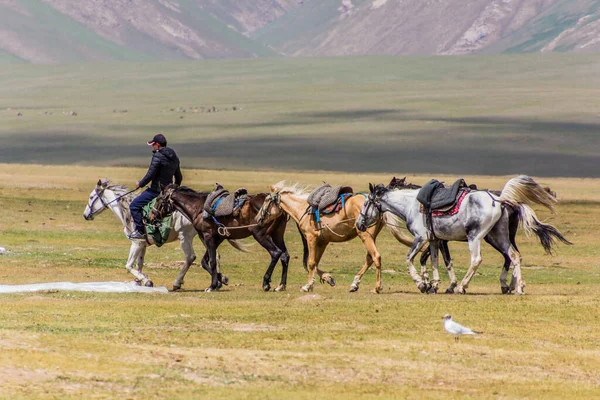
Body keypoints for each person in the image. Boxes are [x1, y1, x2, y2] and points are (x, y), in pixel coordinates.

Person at [128, 133, 182, 240]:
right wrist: (173, 189)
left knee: (134, 205)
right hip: (169, 191)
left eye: (153, 145)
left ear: (157, 144)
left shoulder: (158, 156)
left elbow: (150, 174)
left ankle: (139, 231)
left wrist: (140, 184)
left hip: (156, 190)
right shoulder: (174, 158)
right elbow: (179, 177)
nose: (153, 147)